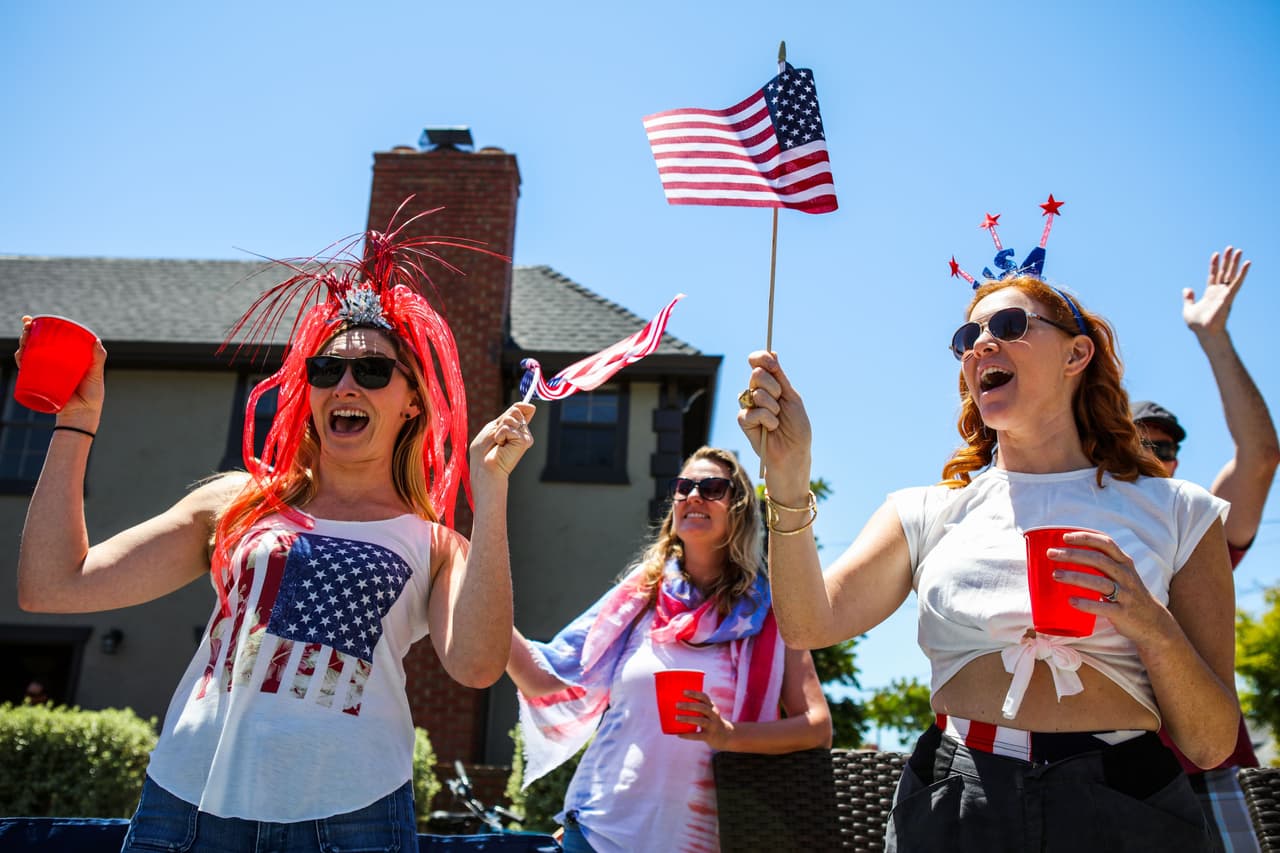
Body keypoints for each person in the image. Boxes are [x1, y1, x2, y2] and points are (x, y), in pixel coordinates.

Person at [16, 220, 535, 852]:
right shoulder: (236, 502)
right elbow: (54, 586)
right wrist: (75, 422)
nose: (345, 385)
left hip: (354, 819)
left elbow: (477, 667)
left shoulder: (434, 545)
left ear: (413, 402)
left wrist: (491, 489)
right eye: (327, 368)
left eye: (373, 371)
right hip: (185, 804)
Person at [739, 276, 1238, 852]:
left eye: (1008, 326)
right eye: (966, 337)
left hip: (1126, 799)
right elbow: (808, 625)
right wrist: (788, 477)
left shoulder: (1180, 511)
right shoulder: (925, 510)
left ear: (1077, 354)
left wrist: (1152, 625)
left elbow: (1210, 744)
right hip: (957, 794)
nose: (979, 345)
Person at [506, 446, 832, 853]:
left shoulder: (770, 615)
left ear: (739, 509)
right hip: (597, 833)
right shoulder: (640, 596)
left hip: (705, 841)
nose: (694, 495)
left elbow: (817, 727)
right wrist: (471, 576)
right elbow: (541, 678)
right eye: (684, 486)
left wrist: (728, 735)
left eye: (712, 488)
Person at [1135, 246, 1279, 852]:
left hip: (1208, 769)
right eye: (1137, 441)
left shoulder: (1193, 532)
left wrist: (1213, 337)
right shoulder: (1074, 522)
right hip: (1098, 773)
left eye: (1165, 448)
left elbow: (1260, 457)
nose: (1153, 455)